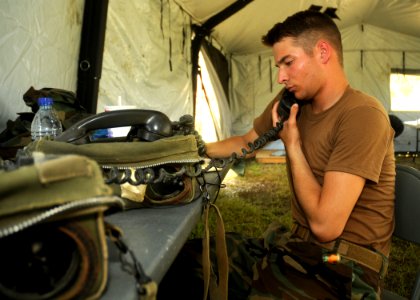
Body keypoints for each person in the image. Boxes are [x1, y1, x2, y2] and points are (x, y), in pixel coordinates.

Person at [159, 10, 395, 300]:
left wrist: (292, 144)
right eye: (278, 66)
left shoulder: (362, 115)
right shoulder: (295, 102)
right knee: (182, 263)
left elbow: (325, 226)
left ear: (322, 52)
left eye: (289, 62)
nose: (281, 77)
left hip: (343, 265)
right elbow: (246, 140)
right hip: (296, 248)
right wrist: (192, 148)